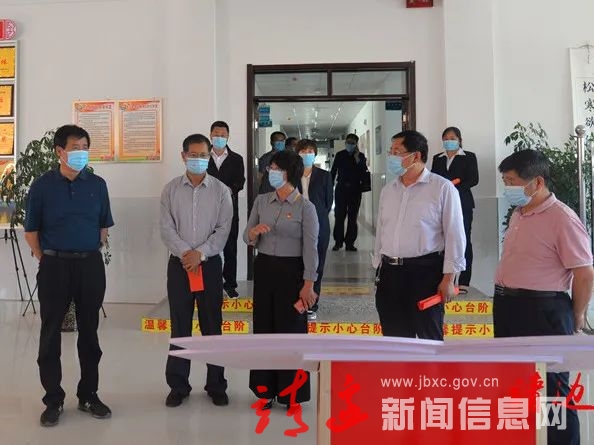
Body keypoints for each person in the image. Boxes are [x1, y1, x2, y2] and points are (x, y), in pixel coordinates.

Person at [495, 149, 593, 445]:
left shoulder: (562, 218)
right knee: (516, 381)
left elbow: (584, 272)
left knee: (552, 390)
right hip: (508, 306)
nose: (507, 188)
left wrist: (577, 315)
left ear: (537, 182)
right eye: (504, 181)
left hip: (543, 310)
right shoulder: (520, 212)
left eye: (511, 182)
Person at [24, 124, 114, 427]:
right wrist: (47, 258)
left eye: (85, 148)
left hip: (90, 265)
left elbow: (103, 227)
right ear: (59, 151)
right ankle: (53, 399)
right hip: (54, 266)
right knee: (50, 333)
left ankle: (89, 394)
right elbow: (31, 231)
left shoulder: (97, 184)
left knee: (90, 332)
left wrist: (87, 251)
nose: (81, 153)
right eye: (76, 148)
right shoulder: (42, 186)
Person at [160, 133, 233, 408]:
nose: (199, 160)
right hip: (179, 266)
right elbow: (166, 228)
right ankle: (178, 385)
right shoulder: (170, 190)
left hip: (209, 264)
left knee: (212, 325)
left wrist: (200, 254)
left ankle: (216, 385)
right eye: (194, 155)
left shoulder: (221, 191)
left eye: (204, 155)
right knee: (180, 326)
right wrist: (186, 254)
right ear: (183, 156)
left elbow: (223, 229)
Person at [244, 149, 318, 410]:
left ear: (289, 173)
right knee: (264, 329)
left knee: (291, 332)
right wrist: (253, 233)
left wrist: (309, 284)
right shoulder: (262, 201)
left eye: (276, 168)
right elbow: (246, 236)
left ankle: (292, 394)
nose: (271, 172)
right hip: (265, 269)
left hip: (292, 273)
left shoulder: (305, 207)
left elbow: (311, 249)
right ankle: (264, 391)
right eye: (270, 168)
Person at [373, 130, 466, 340]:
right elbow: (382, 231)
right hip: (390, 274)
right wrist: (378, 265)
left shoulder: (442, 188)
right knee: (395, 339)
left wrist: (449, 278)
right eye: (390, 151)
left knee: (428, 339)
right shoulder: (388, 190)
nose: (391, 156)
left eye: (397, 151)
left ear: (416, 156)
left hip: (425, 274)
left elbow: (455, 235)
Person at [431, 126, 479, 294]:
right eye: (446, 139)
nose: (448, 141)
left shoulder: (469, 157)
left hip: (463, 203)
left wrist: (452, 188)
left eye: (452, 138)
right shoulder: (437, 158)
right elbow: (434, 180)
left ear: (459, 140)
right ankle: (443, 278)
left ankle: (464, 281)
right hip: (441, 204)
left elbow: (474, 179)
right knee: (442, 240)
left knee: (463, 239)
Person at [207, 120, 245, 299]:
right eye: (216, 134)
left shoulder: (236, 158)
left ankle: (230, 284)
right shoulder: (203, 157)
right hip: (206, 210)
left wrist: (228, 190)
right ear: (210, 135)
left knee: (230, 248)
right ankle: (209, 283)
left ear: (228, 136)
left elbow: (240, 181)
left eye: (223, 135)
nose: (219, 138)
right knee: (207, 247)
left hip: (229, 209)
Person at [296, 139, 333, 320]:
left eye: (310, 151)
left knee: (316, 265)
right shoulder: (291, 174)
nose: (307, 154)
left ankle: (312, 304)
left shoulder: (324, 176)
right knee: (297, 264)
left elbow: (328, 202)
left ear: (315, 154)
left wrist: (314, 218)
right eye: (303, 151)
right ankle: (298, 300)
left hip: (319, 226)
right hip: (295, 225)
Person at [330, 133, 368, 251]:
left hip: (355, 190)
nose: (350, 145)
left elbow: (363, 171)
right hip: (341, 188)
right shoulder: (340, 155)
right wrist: (330, 185)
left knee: (353, 217)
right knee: (339, 216)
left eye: (352, 143)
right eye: (348, 142)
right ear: (345, 142)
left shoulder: (360, 156)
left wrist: (357, 159)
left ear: (356, 144)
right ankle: (338, 242)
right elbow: (333, 170)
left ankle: (350, 243)